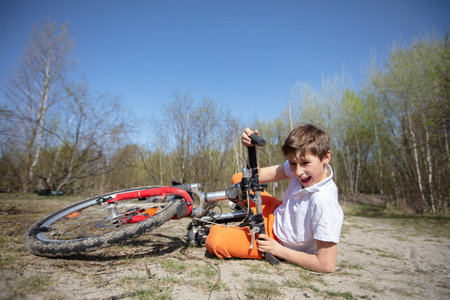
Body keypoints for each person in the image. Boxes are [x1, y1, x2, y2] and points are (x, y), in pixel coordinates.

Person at [205, 124, 344, 273]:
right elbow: (257, 176)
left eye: (305, 163)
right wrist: (253, 151)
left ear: (326, 157)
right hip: (274, 210)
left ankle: (241, 226)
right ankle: (245, 215)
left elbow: (326, 265)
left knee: (215, 239)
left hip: (274, 238)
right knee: (239, 179)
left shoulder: (325, 203)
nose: (298, 171)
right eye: (292, 163)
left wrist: (277, 250)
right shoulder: (301, 164)